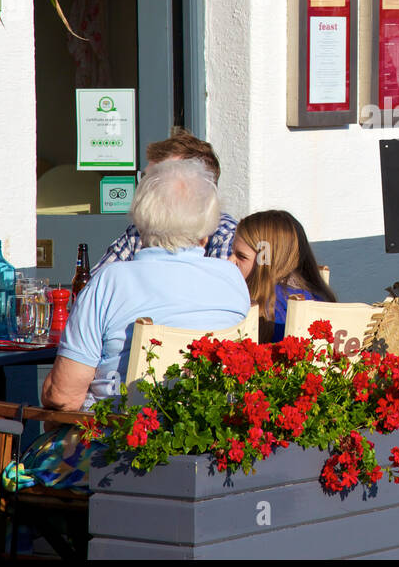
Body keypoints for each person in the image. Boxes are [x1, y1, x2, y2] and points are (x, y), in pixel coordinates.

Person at [44, 159, 250, 411]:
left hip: (117, 440)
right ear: (206, 229)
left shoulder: (111, 281)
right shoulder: (231, 278)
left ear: (141, 222)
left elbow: (64, 397)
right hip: (212, 439)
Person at [92, 128, 238, 274]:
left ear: (200, 185)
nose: (147, 188)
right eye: (146, 178)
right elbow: (97, 286)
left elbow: (215, 291)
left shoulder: (226, 236)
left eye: (161, 180)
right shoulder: (141, 230)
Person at [231, 210, 336, 343]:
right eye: (232, 252)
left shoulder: (273, 306)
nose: (230, 261)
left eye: (241, 256)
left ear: (265, 261)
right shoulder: (318, 295)